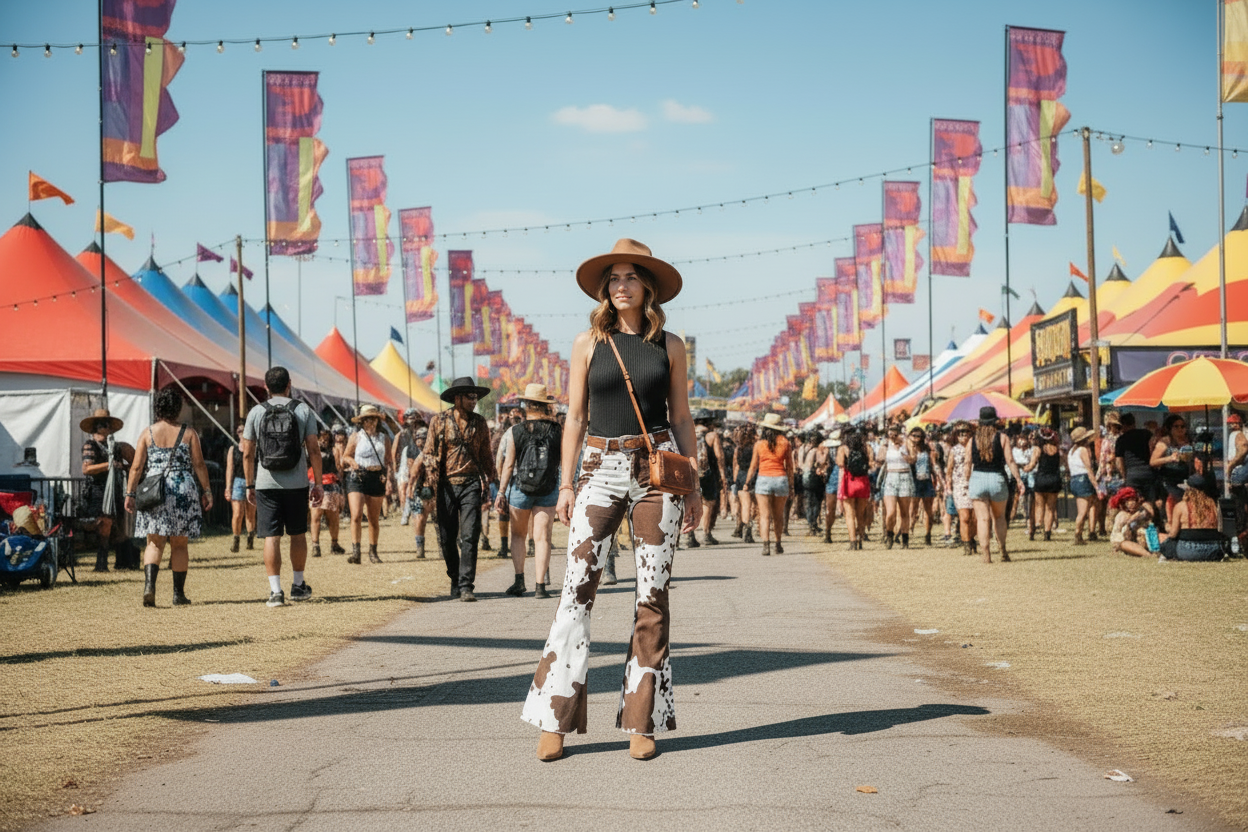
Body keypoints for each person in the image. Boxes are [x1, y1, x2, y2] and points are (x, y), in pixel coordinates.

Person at [522, 239, 702, 763]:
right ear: (606, 289)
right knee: (575, 591)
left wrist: (692, 484)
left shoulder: (670, 345)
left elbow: (683, 417)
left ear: (647, 286)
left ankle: (641, 721)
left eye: (630, 277)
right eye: (613, 278)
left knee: (653, 594)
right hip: (599, 469)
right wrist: (567, 483)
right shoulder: (587, 343)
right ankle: (555, 715)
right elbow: (574, 418)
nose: (620, 285)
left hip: (657, 470)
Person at [123, 388, 212, 607]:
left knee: (154, 543)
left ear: (158, 407)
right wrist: (207, 490)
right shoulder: (189, 433)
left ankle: (149, 587)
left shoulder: (147, 433)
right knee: (179, 544)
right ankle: (178, 594)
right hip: (182, 488)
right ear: (178, 408)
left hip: (155, 490)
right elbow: (199, 464)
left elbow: (136, 467)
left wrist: (130, 493)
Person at [242, 367, 322, 607]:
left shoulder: (256, 412)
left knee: (271, 536)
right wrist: (317, 483)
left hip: (266, 484)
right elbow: (314, 449)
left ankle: (275, 592)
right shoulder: (302, 410)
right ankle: (298, 585)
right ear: (290, 384)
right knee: (297, 533)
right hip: (296, 483)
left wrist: (249, 484)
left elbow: (247, 454)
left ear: (266, 387)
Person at [413, 377, 498, 601]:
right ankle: (454, 578)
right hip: (445, 485)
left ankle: (466, 585)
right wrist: (428, 479)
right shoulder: (439, 421)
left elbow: (486, 454)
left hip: (471, 483)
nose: (474, 401)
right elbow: (429, 451)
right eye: (470, 397)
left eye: (476, 397)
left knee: (470, 535)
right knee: (447, 537)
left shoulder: (480, 423)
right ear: (457, 398)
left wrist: (493, 479)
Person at [495, 383, 562, 598]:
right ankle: (540, 586)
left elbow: (508, 464)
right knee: (542, 537)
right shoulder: (557, 430)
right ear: (545, 405)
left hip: (521, 489)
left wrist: (501, 492)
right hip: (548, 488)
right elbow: (562, 461)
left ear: (527, 405)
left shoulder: (516, 431)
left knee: (518, 535)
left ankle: (519, 580)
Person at [964, 407, 1025, 563]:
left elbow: (967, 463)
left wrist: (967, 481)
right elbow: (1010, 461)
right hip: (997, 478)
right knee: (999, 518)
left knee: (983, 519)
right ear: (995, 422)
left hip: (977, 478)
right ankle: (1003, 550)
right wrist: (1018, 480)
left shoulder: (972, 440)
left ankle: (986, 555)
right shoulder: (1002, 438)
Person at [79, 408, 136, 571]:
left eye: (107, 426)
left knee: (119, 527)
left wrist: (124, 468)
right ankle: (101, 563)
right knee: (105, 526)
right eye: (103, 425)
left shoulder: (115, 447)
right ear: (97, 427)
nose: (106, 429)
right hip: (98, 491)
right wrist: (109, 465)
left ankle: (124, 562)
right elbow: (87, 469)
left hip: (116, 490)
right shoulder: (90, 446)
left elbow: (131, 463)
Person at [342, 404, 392, 564]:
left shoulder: (384, 438)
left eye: (373, 419)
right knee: (356, 514)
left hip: (376, 476)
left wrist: (389, 479)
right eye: (366, 419)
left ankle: (373, 552)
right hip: (358, 476)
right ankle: (356, 552)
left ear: (378, 420)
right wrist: (353, 463)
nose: (370, 422)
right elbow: (345, 456)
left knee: (373, 518)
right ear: (361, 422)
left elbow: (389, 461)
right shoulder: (356, 436)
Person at [746, 413, 793, 556]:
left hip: (763, 479)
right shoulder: (785, 443)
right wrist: (791, 485)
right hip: (780, 478)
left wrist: (747, 482)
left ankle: (766, 545)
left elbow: (753, 466)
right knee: (778, 515)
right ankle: (778, 544)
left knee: (764, 515)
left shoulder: (759, 444)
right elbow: (790, 466)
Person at [1159, 475, 1225, 561]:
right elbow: (1221, 529)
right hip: (1213, 550)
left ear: (1188, 490)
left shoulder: (1181, 506)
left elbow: (1173, 534)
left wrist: (1167, 527)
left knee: (1167, 542)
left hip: (1188, 551)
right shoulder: (1214, 506)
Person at [690, 409, 728, 547]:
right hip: (707, 473)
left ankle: (690, 535)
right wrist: (723, 475)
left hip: (690, 472)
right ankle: (705, 534)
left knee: (691, 502)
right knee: (708, 502)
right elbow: (720, 457)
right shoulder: (712, 435)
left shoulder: (688, 433)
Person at [1151, 414, 1194, 532]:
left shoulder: (1189, 441)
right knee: (1171, 506)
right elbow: (1153, 461)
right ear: (1170, 428)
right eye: (1176, 426)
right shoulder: (1165, 442)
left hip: (1185, 479)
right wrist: (1169, 458)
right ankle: (1170, 530)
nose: (1180, 429)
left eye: (1183, 426)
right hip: (1169, 480)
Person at [309, 426, 345, 558]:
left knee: (333, 517)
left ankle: (334, 544)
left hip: (331, 484)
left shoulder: (334, 451)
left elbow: (338, 469)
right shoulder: (311, 450)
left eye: (326, 437)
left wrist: (340, 489)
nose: (323, 440)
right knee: (316, 516)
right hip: (315, 484)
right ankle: (315, 546)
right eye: (321, 437)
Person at [837, 426, 874, 550]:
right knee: (861, 513)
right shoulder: (867, 448)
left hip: (849, 481)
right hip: (863, 481)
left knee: (849, 514)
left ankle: (852, 542)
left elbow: (840, 463)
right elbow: (871, 464)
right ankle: (860, 538)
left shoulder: (843, 448)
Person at [879, 423, 916, 549]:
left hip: (904, 476)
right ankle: (889, 535)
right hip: (891, 477)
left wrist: (902, 452)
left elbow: (913, 459)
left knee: (905, 512)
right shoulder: (885, 444)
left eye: (895, 432)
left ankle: (905, 540)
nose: (893, 435)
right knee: (891, 512)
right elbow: (878, 459)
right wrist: (884, 448)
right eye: (890, 432)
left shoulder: (907, 443)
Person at [223, 424, 257, 554]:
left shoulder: (254, 448)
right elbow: (229, 469)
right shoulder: (233, 449)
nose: (241, 433)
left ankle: (250, 538)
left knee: (250, 514)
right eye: (239, 431)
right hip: (237, 481)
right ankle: (236, 540)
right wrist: (228, 487)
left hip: (252, 481)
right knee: (237, 513)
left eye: (243, 431)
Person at [391, 409, 426, 527]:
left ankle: (412, 512)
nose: (411, 421)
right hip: (405, 459)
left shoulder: (422, 432)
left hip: (419, 455)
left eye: (413, 418)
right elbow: (394, 451)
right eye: (409, 418)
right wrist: (394, 468)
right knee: (405, 488)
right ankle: (405, 513)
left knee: (414, 486)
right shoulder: (400, 435)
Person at [945, 421, 975, 554]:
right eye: (960, 433)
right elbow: (949, 470)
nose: (963, 435)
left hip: (975, 483)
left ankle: (972, 538)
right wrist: (948, 486)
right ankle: (966, 544)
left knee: (974, 517)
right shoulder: (954, 450)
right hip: (960, 485)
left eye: (966, 432)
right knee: (964, 516)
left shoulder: (976, 447)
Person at [1029, 427, 1063, 542]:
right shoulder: (1057, 449)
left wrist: (1024, 468)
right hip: (1054, 479)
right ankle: (1047, 532)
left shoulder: (1039, 449)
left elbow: (1032, 464)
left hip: (1041, 478)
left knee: (1039, 505)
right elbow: (1063, 463)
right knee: (1050, 507)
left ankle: (1038, 524)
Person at [406, 425, 434, 558]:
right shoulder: (419, 455)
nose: (421, 442)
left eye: (424, 439)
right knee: (420, 519)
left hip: (435, 490)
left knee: (439, 520)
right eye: (419, 439)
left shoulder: (437, 453)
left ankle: (442, 548)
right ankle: (420, 549)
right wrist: (410, 488)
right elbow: (412, 474)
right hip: (422, 489)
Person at [1068, 426, 1098, 545]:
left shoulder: (1071, 451)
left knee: (1082, 509)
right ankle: (1077, 534)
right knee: (1083, 511)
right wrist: (1096, 485)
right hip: (1083, 479)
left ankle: (1079, 534)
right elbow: (1088, 468)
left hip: (1074, 479)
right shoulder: (1083, 450)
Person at [1107, 486, 1155, 558]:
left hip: (1141, 540)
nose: (1131, 503)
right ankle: (1148, 555)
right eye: (1128, 501)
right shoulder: (1122, 516)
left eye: (1133, 500)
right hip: (1126, 541)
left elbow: (1150, 515)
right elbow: (1116, 536)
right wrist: (1130, 521)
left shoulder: (1141, 512)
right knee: (1125, 544)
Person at [910, 427, 937, 546]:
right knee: (913, 509)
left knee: (928, 510)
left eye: (919, 436)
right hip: (914, 481)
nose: (916, 438)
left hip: (926, 480)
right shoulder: (908, 448)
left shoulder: (927, 448)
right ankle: (908, 529)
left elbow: (932, 464)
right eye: (914, 435)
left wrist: (936, 477)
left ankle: (928, 535)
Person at [731, 422, 757, 543]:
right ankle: (749, 530)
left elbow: (735, 466)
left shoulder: (738, 449)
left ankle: (744, 529)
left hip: (741, 475)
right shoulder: (756, 447)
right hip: (754, 475)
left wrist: (735, 481)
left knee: (744, 505)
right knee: (752, 505)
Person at [799, 430, 826, 537]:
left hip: (804, 475)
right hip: (814, 476)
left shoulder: (802, 448)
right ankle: (813, 524)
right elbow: (821, 462)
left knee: (808, 500)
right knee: (817, 501)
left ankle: (810, 524)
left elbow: (800, 464)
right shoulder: (816, 450)